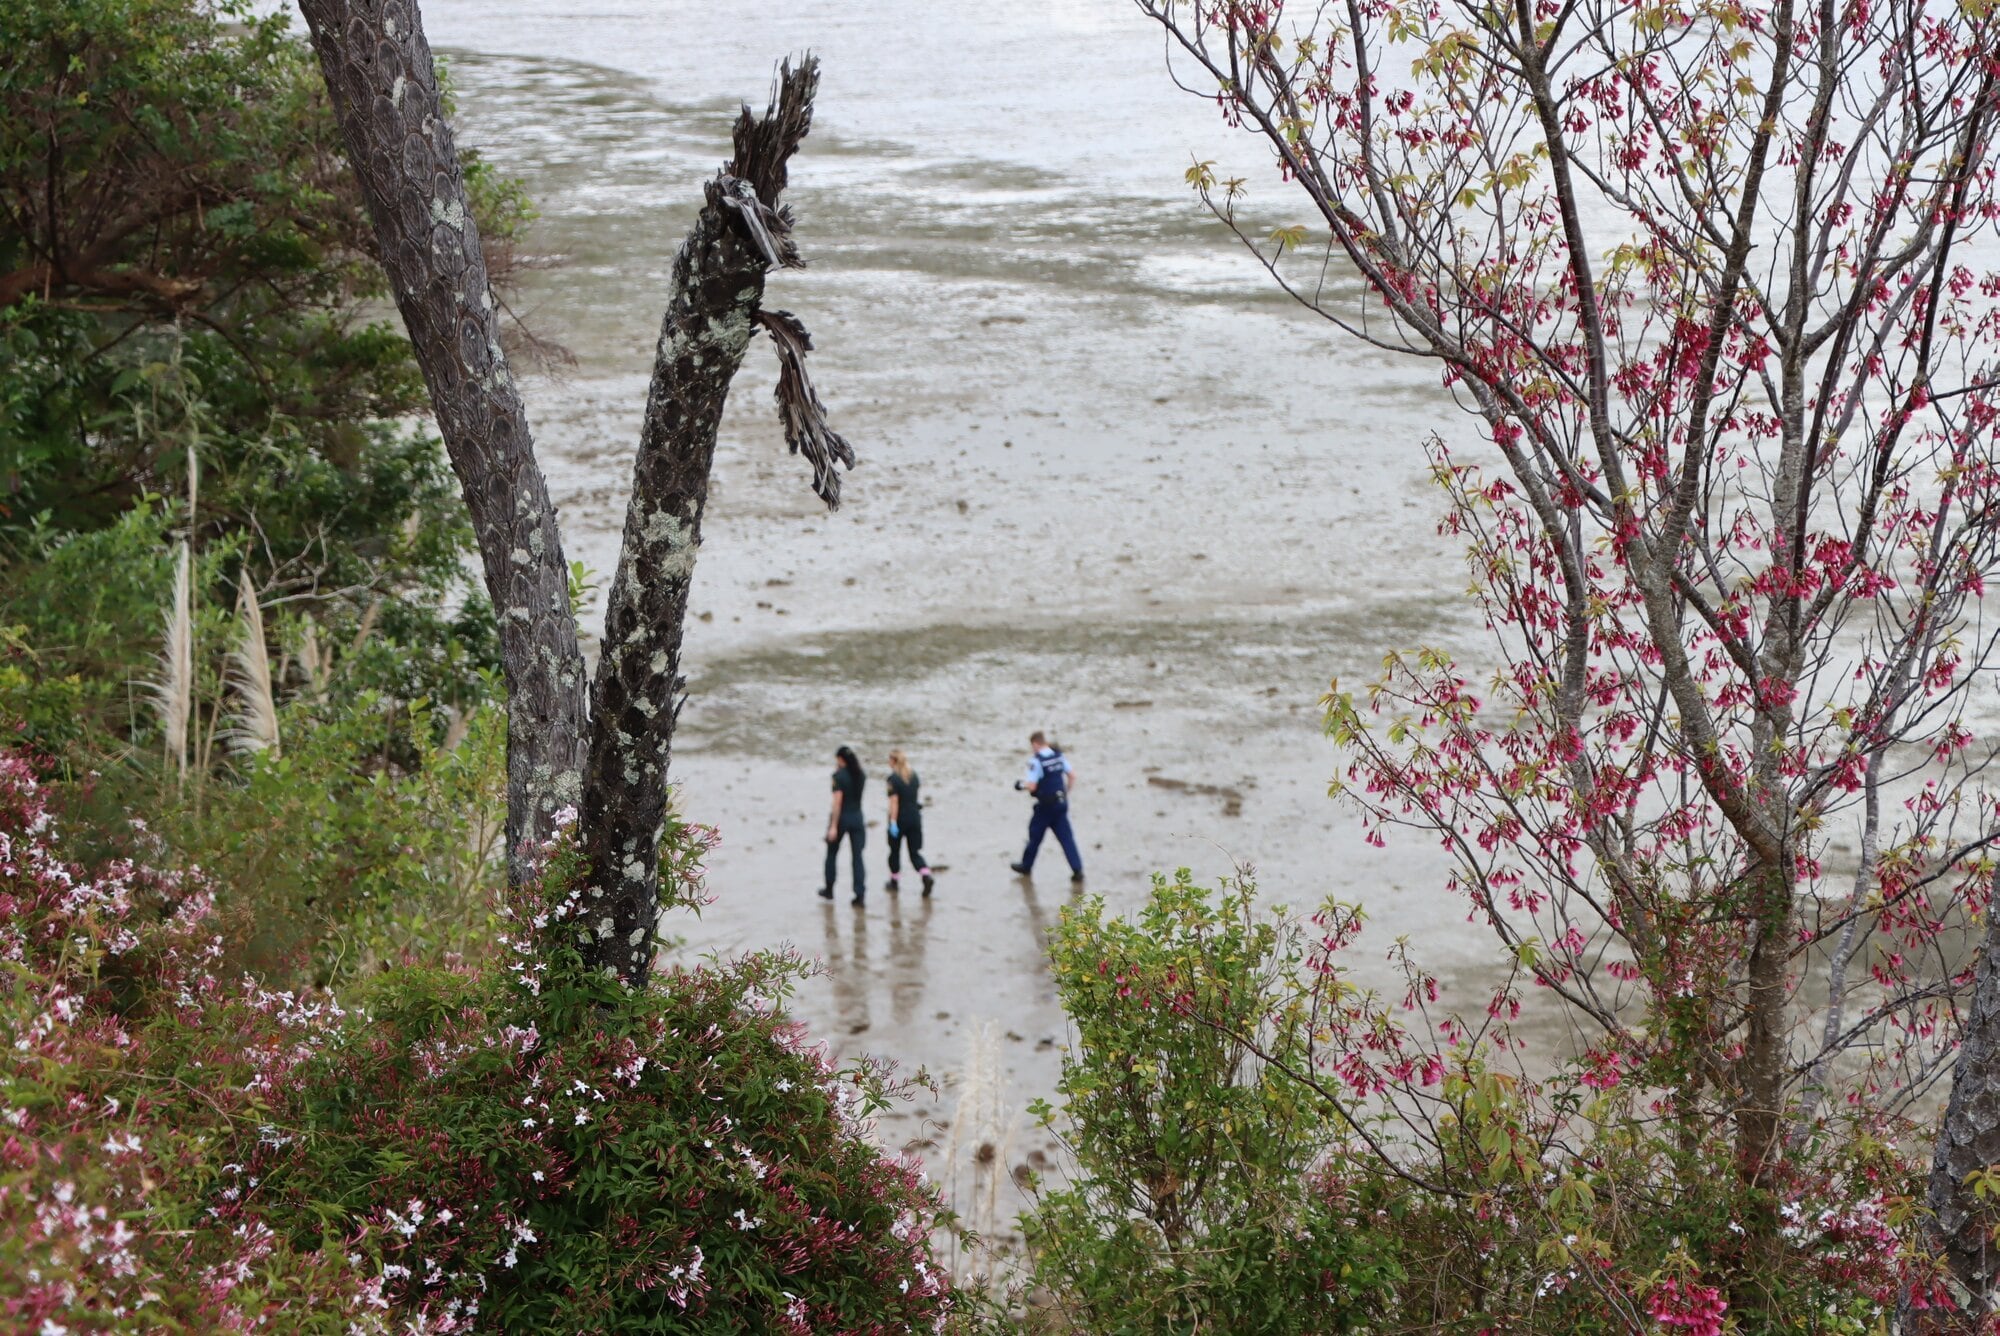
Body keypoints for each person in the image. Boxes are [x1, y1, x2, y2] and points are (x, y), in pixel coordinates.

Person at [1010, 730, 1083, 882]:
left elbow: (1032, 786)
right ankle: (1077, 869)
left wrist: (1020, 785)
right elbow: (1072, 776)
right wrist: (1066, 792)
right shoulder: (1058, 756)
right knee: (1066, 838)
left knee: (1034, 836)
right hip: (1061, 804)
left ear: (1035, 744)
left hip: (1045, 807)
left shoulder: (1036, 761)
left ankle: (1026, 866)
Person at [820, 745, 867, 906]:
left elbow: (837, 803)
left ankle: (829, 888)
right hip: (857, 817)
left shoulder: (838, 776)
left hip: (842, 818)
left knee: (832, 853)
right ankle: (859, 893)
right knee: (857, 857)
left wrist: (833, 826)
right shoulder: (860, 775)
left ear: (840, 759)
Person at [884, 748, 934, 896]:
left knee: (894, 852)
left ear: (893, 761)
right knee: (915, 853)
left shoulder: (892, 780)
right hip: (915, 818)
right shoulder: (914, 777)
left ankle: (894, 881)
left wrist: (892, 822)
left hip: (900, 819)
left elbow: (894, 802)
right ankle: (926, 875)